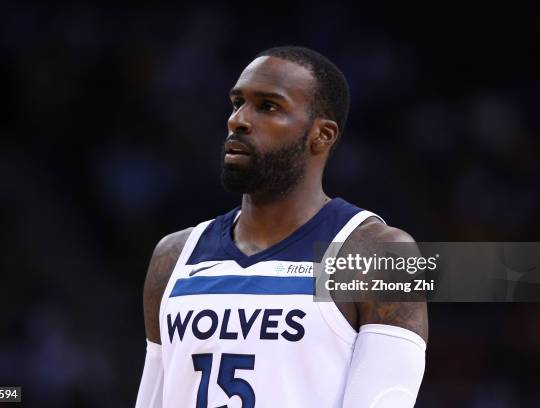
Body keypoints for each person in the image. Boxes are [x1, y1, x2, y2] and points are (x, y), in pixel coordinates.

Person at [135, 46, 428, 408]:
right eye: (237, 102)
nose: (238, 120)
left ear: (322, 135)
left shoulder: (375, 254)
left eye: (268, 106)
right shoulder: (174, 257)